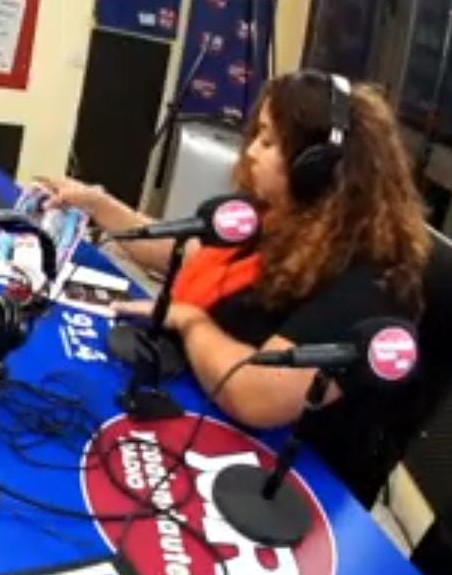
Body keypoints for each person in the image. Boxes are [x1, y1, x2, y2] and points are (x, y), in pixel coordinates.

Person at [34, 70, 430, 494]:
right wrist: (99, 206)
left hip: (272, 479)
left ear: (317, 167)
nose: (251, 152)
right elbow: (189, 253)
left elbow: (255, 393)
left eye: (269, 141)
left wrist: (191, 322)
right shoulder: (274, 214)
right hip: (196, 402)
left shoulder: (370, 285)